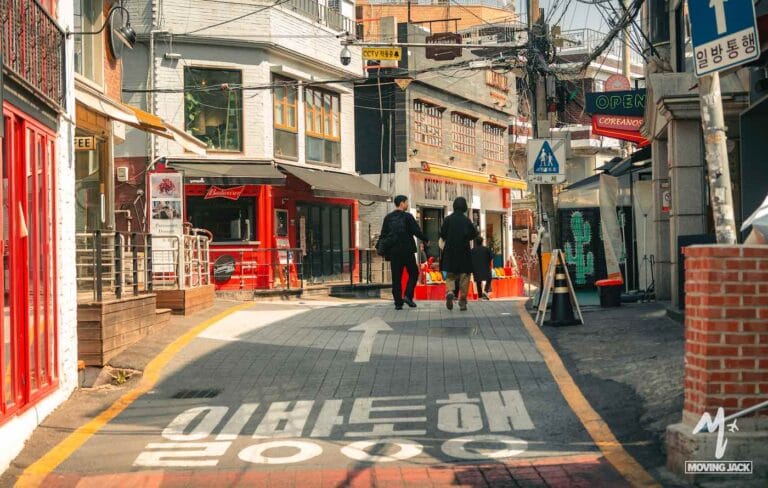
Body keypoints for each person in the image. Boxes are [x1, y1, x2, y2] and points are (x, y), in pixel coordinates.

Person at [380, 195, 429, 310]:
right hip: (407, 251)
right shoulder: (408, 217)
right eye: (406, 203)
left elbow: (383, 234)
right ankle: (408, 295)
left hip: (393, 252)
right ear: (402, 204)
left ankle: (398, 303)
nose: (407, 205)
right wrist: (426, 239)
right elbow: (416, 231)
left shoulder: (388, 218)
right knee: (414, 273)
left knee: (396, 277)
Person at [440, 197, 478, 311]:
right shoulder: (467, 221)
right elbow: (473, 234)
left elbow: (442, 234)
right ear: (464, 207)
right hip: (464, 252)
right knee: (464, 276)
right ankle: (462, 299)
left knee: (450, 275)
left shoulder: (448, 219)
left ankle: (450, 291)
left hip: (450, 252)